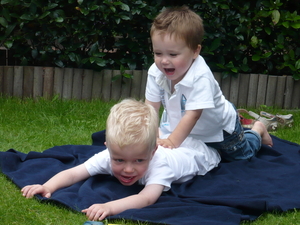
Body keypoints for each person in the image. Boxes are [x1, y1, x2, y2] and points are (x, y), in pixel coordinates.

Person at [21, 99, 220, 221]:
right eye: (119, 160)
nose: (127, 169)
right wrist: (47, 187)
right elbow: (75, 172)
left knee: (246, 144)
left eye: (139, 161)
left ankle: (252, 131)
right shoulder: (110, 156)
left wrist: (109, 207)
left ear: (152, 153)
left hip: (202, 154)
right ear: (108, 149)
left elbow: (146, 198)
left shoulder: (161, 164)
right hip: (171, 144)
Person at [145, 6, 273, 161]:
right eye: (158, 53)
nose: (164, 60)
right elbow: (150, 109)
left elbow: (193, 115)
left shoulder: (200, 76)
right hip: (185, 129)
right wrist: (146, 139)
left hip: (219, 130)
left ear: (195, 51)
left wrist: (171, 141)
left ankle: (257, 131)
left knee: (243, 156)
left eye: (173, 54)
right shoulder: (155, 71)